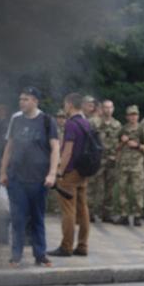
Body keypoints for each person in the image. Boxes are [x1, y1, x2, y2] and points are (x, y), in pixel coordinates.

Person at [0, 87, 59, 267]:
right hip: (17, 177)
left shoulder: (47, 121)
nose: (21, 102)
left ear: (35, 101)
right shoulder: (16, 119)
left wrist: (52, 173)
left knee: (37, 217)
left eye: (25, 99)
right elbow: (9, 147)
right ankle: (15, 255)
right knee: (18, 217)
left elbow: (55, 148)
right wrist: (2, 172)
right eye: (21, 99)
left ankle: (40, 254)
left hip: (39, 179)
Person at [49, 92, 90, 257]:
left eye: (65, 104)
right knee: (83, 209)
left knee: (68, 210)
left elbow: (67, 151)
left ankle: (66, 246)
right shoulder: (86, 122)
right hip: (83, 172)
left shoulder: (71, 124)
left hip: (70, 172)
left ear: (71, 104)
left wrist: (59, 171)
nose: (64, 107)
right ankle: (83, 245)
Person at [88, 99, 122, 223]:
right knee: (93, 187)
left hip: (111, 160)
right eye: (106, 107)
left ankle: (106, 213)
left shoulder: (117, 125)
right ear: (101, 109)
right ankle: (89, 212)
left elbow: (120, 142)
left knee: (110, 188)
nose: (108, 110)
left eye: (110, 107)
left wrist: (117, 155)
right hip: (98, 159)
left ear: (113, 109)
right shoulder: (93, 122)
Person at [115, 105, 144, 226]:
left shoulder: (142, 130)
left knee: (137, 191)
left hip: (137, 166)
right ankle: (124, 214)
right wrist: (122, 142)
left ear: (138, 116)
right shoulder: (122, 129)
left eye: (135, 115)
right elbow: (116, 147)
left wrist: (137, 146)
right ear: (127, 116)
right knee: (122, 190)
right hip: (124, 164)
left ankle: (137, 215)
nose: (133, 117)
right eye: (131, 115)